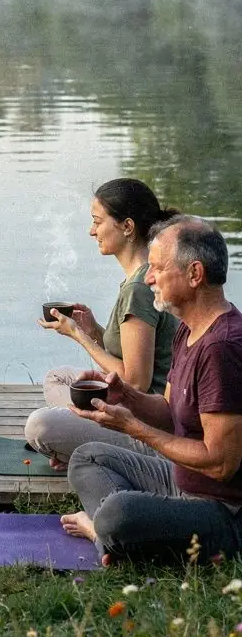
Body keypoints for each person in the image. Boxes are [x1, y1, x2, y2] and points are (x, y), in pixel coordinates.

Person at [61, 216, 242, 565]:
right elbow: (169, 410)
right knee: (87, 458)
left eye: (157, 268)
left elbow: (221, 464)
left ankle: (106, 534)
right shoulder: (187, 330)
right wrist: (124, 397)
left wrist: (134, 428)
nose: (148, 277)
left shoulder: (222, 347)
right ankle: (124, 538)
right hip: (181, 481)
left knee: (117, 513)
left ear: (194, 274)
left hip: (224, 512)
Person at [24, 179, 180, 468]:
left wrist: (79, 336)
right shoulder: (142, 278)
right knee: (57, 378)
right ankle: (80, 442)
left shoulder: (139, 289)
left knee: (39, 426)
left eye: (97, 222)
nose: (91, 230)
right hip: (132, 406)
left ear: (127, 227)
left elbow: (136, 382)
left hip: (146, 425)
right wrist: (93, 330)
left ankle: (89, 448)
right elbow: (135, 351)